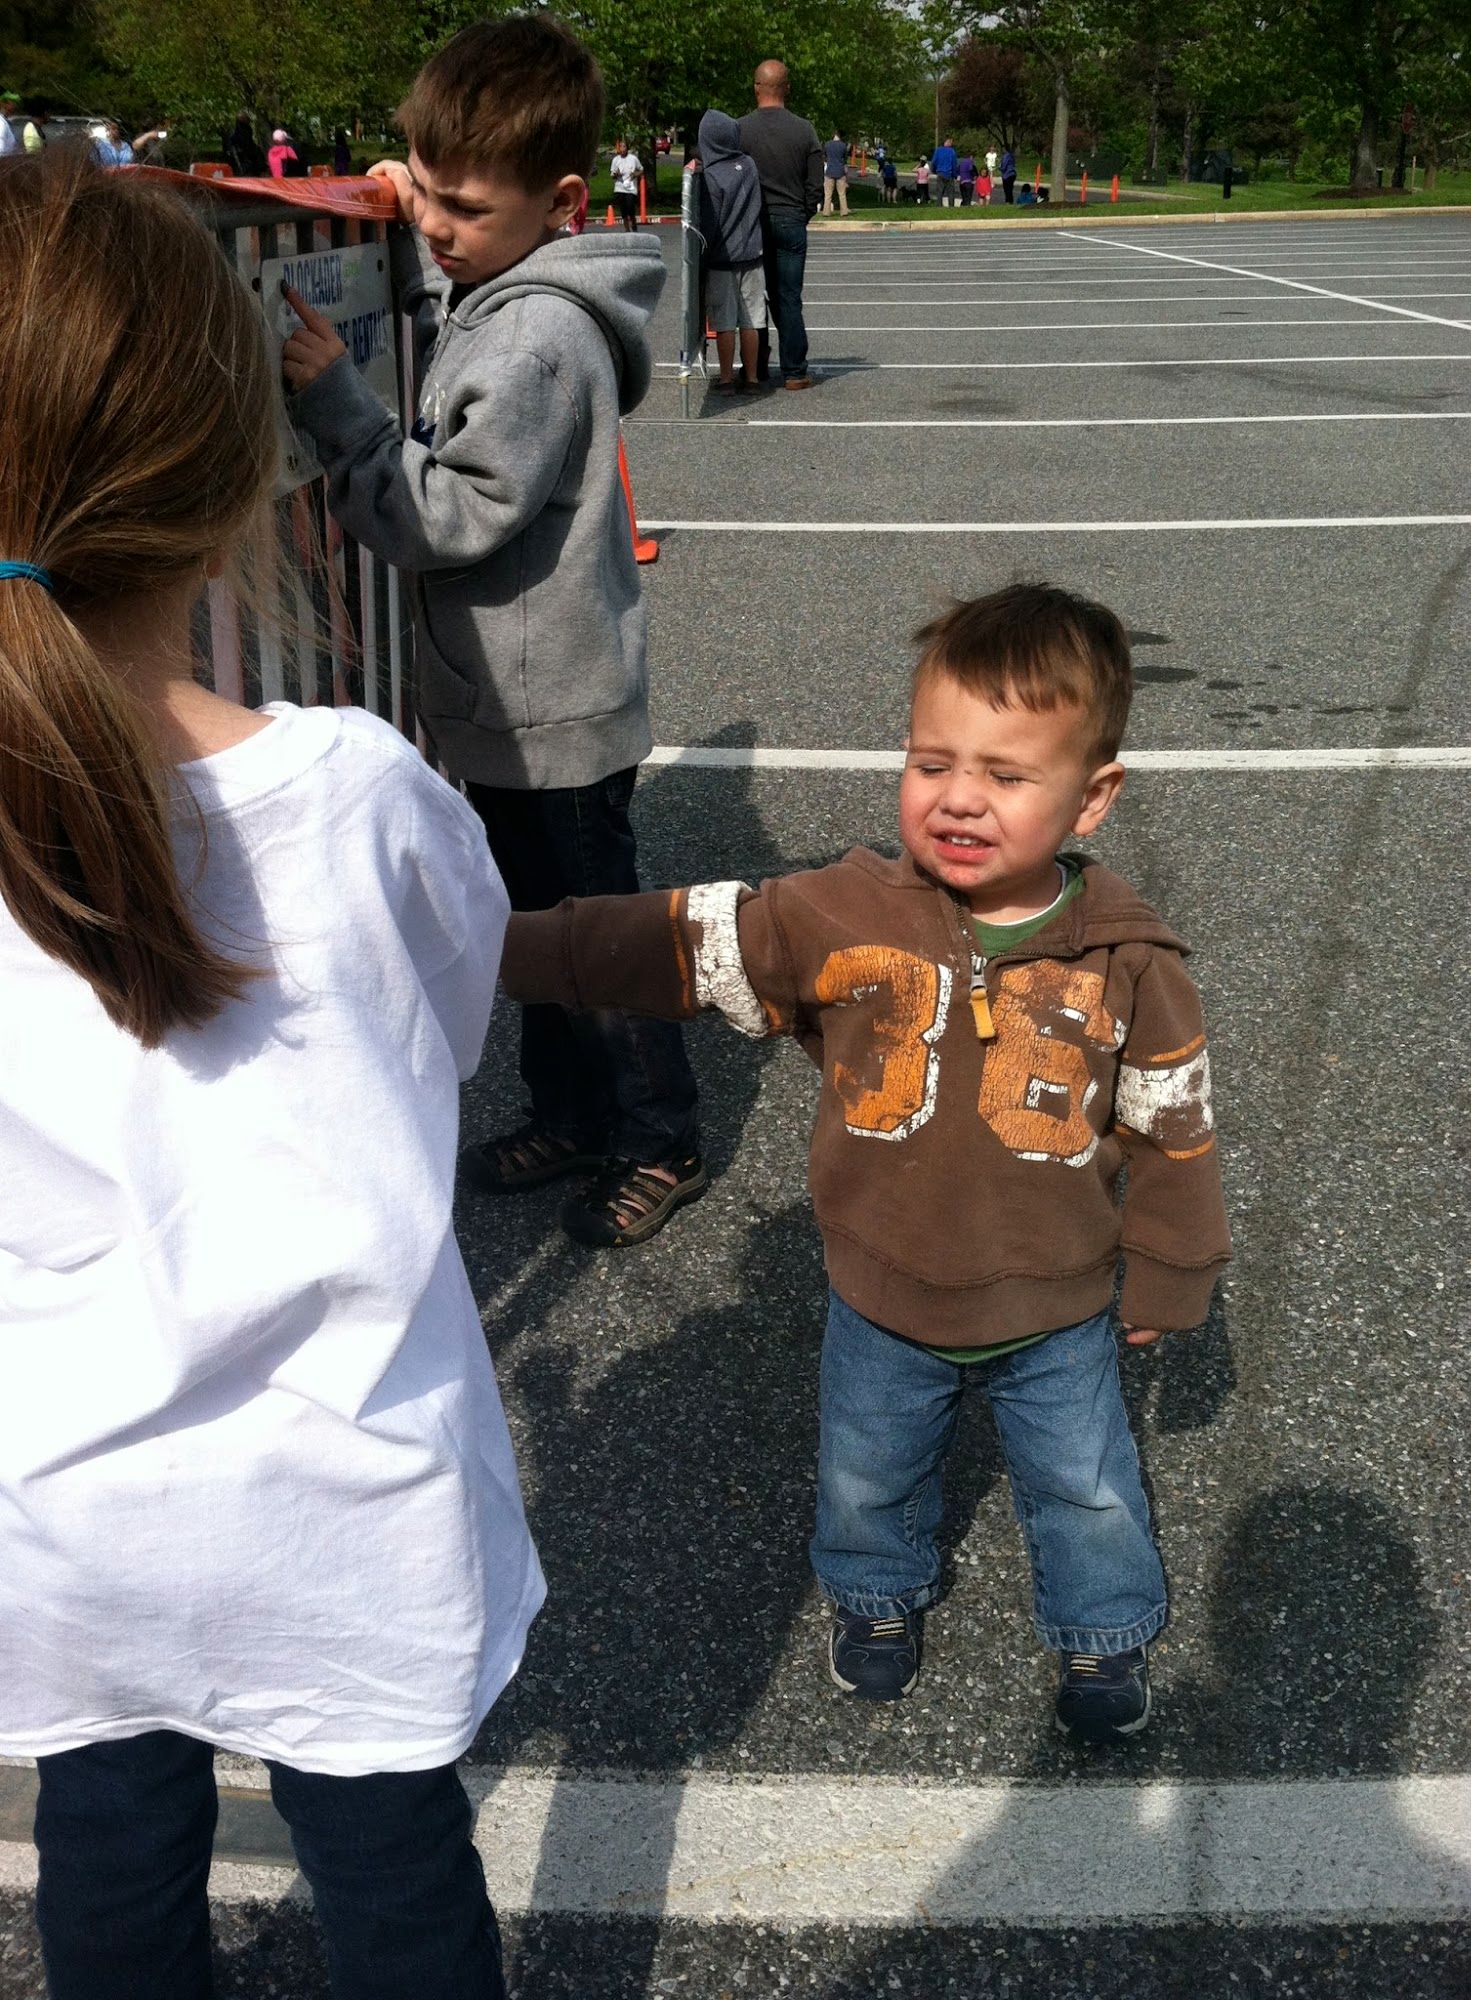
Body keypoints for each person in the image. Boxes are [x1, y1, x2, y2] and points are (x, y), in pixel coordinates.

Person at [0, 146, 542, 1998]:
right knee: (394, 1884)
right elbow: (439, 1046)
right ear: (237, 479)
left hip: (64, 1508)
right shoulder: (357, 795)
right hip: (341, 1505)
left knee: (107, 1865)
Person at [500, 582, 1230, 1743]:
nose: (959, 798)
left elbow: (1174, 1126)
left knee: (1086, 1485)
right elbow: (677, 940)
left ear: (1094, 794)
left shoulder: (1130, 958)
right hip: (881, 1289)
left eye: (1006, 772)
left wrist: (1172, 1267)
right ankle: (878, 1597)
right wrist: (494, 944)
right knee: (866, 1468)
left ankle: (1102, 1628)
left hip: (1059, 1301)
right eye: (932, 760)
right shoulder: (840, 912)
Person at [282, 14, 704, 1248]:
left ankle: (657, 1130)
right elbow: (455, 294)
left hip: (552, 708)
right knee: (531, 923)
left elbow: (453, 511)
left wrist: (343, 416)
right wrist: (408, 204)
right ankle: (571, 1110)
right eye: (425, 190)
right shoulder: (497, 289)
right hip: (521, 699)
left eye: (457, 206)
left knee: (598, 938)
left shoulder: (534, 334)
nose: (430, 225)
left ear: (563, 202)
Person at [738, 57, 823, 392]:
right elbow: (815, 183)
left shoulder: (740, 129)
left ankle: (755, 369)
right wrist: (802, 212)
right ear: (787, 88)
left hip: (753, 221)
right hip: (791, 218)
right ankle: (795, 371)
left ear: (756, 87)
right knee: (788, 296)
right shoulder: (804, 129)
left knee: (752, 297)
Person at [698, 109, 766, 394]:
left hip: (722, 259)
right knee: (751, 319)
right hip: (752, 253)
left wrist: (702, 256)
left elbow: (709, 224)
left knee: (725, 322)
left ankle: (725, 379)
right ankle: (751, 378)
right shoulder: (748, 165)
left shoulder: (711, 175)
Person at [92, 118, 166, 167]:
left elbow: (165, 135)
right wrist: (148, 135)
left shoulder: (125, 146)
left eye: (116, 129)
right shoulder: (100, 144)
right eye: (112, 128)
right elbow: (135, 145)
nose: (115, 131)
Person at [609, 134, 643, 230]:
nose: (622, 149)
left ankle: (633, 221)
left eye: (624, 146)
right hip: (619, 187)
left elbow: (641, 170)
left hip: (631, 188)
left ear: (627, 148)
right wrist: (616, 174)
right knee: (623, 209)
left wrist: (635, 174)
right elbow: (612, 174)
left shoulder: (633, 159)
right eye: (620, 146)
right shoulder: (615, 160)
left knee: (630, 206)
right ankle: (627, 228)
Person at [223, 109, 268, 177]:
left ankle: (260, 171)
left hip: (248, 147)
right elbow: (233, 141)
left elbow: (248, 139)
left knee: (257, 152)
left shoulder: (247, 128)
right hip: (240, 148)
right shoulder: (237, 129)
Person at [822, 127, 850, 216]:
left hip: (829, 171)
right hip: (840, 171)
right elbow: (845, 160)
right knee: (842, 194)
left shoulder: (827, 144)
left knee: (828, 194)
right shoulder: (843, 146)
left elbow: (824, 157)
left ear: (835, 134)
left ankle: (826, 212)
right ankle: (844, 211)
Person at [930, 135, 957, 206]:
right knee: (950, 192)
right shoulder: (952, 151)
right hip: (949, 173)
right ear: (947, 142)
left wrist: (934, 171)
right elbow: (954, 164)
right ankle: (951, 206)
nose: (951, 143)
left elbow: (933, 162)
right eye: (950, 142)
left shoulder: (938, 150)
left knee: (939, 192)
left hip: (940, 173)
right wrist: (955, 175)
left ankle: (939, 206)